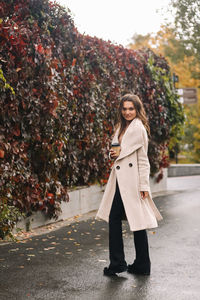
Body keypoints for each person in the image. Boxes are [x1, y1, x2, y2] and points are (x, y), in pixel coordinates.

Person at [96, 93, 163, 276]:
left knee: (123, 218)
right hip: (120, 179)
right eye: (124, 109)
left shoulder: (138, 128)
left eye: (131, 109)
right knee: (132, 220)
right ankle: (140, 264)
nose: (127, 112)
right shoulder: (120, 127)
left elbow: (143, 160)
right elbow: (118, 152)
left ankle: (119, 263)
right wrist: (112, 154)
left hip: (132, 181)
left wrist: (144, 186)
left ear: (137, 109)